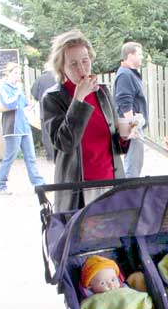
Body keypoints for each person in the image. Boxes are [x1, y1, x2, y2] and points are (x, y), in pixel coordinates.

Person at [43, 30, 125, 212]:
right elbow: (64, 143)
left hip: (113, 183)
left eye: (85, 60)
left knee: (115, 240)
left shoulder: (102, 92)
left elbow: (115, 145)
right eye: (72, 64)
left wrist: (124, 137)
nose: (81, 68)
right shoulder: (53, 98)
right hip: (79, 190)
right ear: (61, 67)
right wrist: (79, 98)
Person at [0, 62, 45, 195]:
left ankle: (38, 183)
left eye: (19, 73)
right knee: (10, 157)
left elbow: (23, 105)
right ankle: (0, 184)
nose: (18, 76)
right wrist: (18, 92)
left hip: (24, 126)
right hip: (12, 128)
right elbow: (9, 104)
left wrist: (32, 106)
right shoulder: (4, 88)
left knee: (31, 156)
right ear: (9, 73)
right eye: (15, 73)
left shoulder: (17, 89)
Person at [113, 41, 148, 178]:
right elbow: (124, 101)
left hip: (133, 123)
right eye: (139, 54)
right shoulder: (125, 75)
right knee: (132, 168)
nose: (142, 57)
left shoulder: (129, 74)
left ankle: (130, 194)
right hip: (131, 124)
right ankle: (129, 196)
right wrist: (133, 127)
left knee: (135, 165)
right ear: (130, 55)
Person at [30, 66, 56, 161]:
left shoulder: (40, 79)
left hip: (44, 111)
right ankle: (60, 155)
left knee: (46, 134)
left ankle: (50, 155)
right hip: (59, 110)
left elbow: (34, 94)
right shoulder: (59, 77)